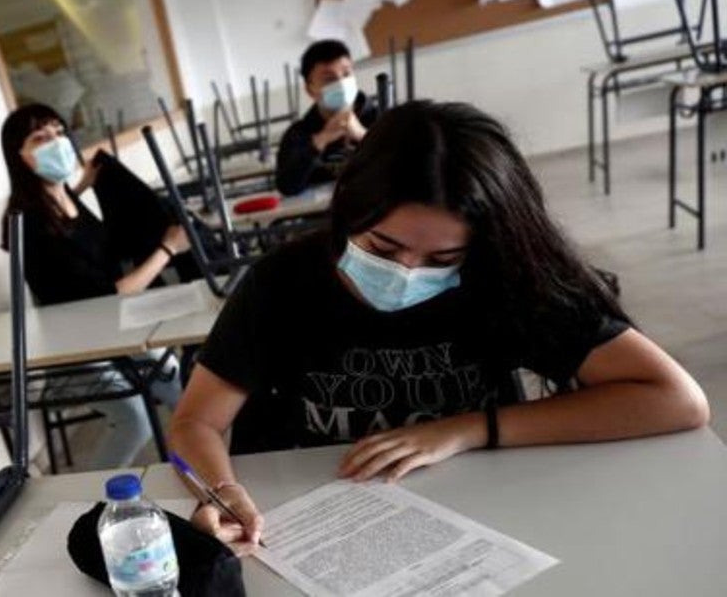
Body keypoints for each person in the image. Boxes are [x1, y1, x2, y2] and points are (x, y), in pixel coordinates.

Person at [169, 101, 709, 553]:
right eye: (383, 247)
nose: (406, 273)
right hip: (316, 524)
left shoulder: (502, 276)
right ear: (349, 207)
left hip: (482, 521)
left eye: (441, 258)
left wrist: (468, 428)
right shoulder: (283, 283)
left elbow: (676, 399)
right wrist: (221, 490)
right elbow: (196, 422)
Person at [0, 103, 189, 469]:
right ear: (18, 156)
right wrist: (168, 248)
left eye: (58, 132)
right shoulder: (27, 220)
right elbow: (112, 293)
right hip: (74, 348)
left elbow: (86, 246)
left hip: (109, 329)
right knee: (134, 422)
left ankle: (192, 469)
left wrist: (84, 185)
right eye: (40, 138)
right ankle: (91, 500)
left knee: (174, 379)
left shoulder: (63, 197)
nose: (55, 142)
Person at [275, 39, 379, 197]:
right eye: (329, 79)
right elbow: (287, 187)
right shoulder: (298, 134)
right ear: (310, 89)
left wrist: (363, 135)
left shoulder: (381, 117)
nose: (341, 83)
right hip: (325, 217)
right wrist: (320, 140)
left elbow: (409, 165)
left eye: (346, 74)